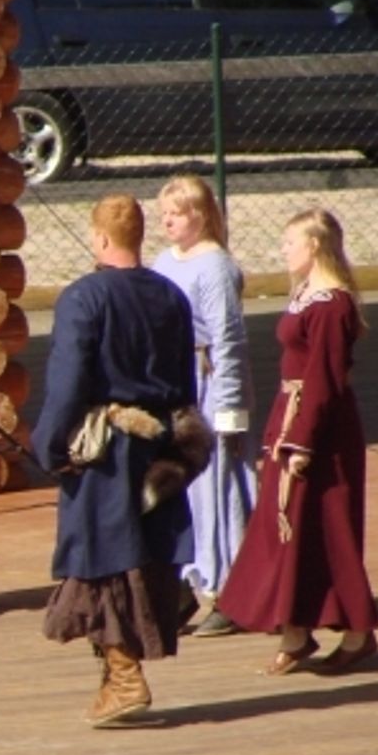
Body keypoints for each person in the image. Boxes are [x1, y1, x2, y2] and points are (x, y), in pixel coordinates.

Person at [32, 195, 202, 727]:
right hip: (160, 447)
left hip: (107, 450)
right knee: (141, 560)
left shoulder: (84, 298)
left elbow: (67, 384)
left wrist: (49, 447)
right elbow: (187, 384)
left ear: (100, 238)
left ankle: (126, 679)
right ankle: (116, 681)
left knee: (101, 563)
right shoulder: (171, 296)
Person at [217, 208, 378, 674]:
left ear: (313, 245)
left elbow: (324, 379)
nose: (283, 250)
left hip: (318, 430)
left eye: (290, 242)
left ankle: (357, 633)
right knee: (285, 526)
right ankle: (294, 630)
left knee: (327, 528)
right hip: (291, 416)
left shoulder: (331, 304)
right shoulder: (307, 294)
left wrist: (301, 442)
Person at [151, 175, 258, 638]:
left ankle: (231, 589)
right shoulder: (163, 261)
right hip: (178, 385)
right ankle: (187, 582)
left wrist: (229, 412)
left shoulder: (215, 267)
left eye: (177, 213)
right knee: (184, 487)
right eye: (163, 214)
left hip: (211, 383)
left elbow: (228, 340)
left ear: (200, 215)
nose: (167, 221)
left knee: (220, 486)